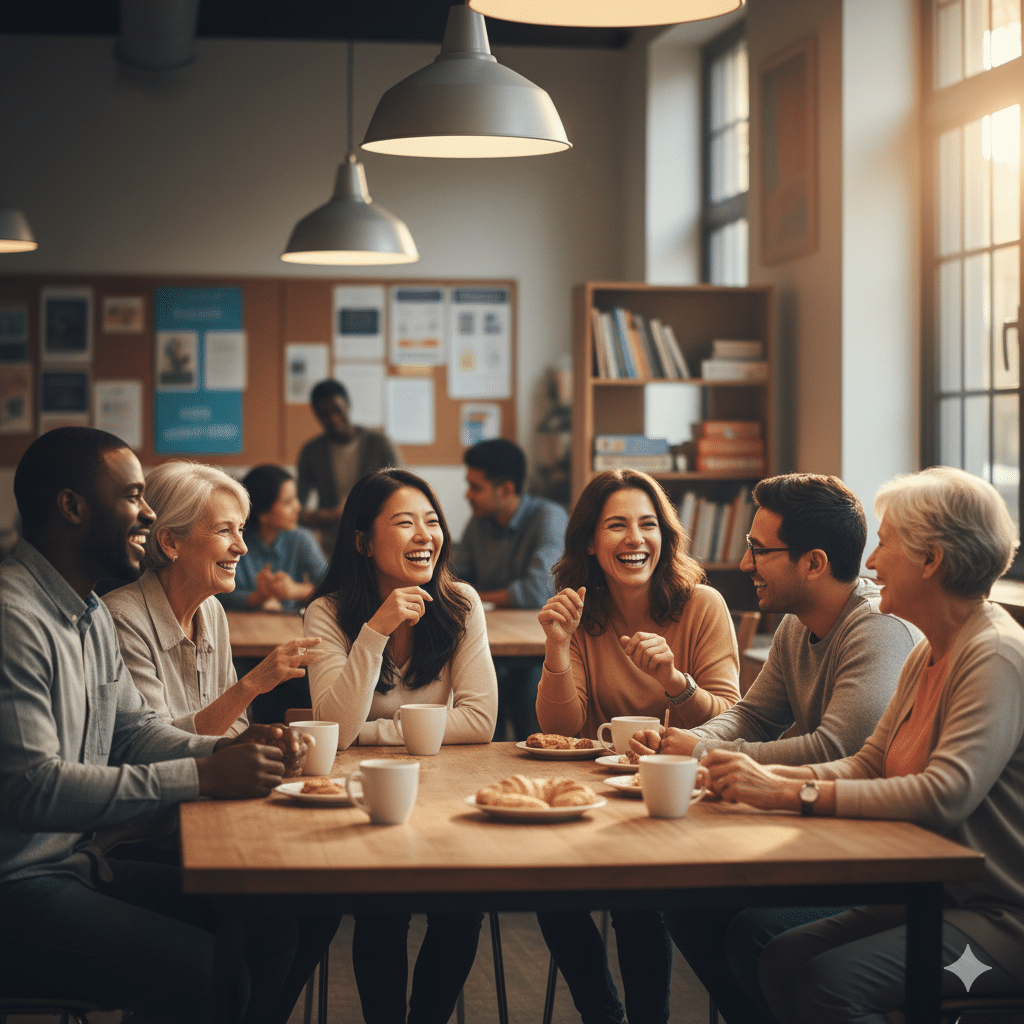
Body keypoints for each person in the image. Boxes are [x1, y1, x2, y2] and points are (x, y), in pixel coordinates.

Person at [0, 427, 320, 1024]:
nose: (147, 513)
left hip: (74, 864)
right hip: (19, 887)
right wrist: (206, 774)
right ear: (72, 507)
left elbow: (135, 733)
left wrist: (235, 749)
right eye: (131, 496)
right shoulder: (15, 617)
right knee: (201, 970)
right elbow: (33, 790)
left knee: (269, 924)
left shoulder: (87, 612)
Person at [705, 467, 1024, 1023]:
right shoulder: (931, 651)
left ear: (932, 560)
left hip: (1000, 919)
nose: (871, 563)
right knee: (781, 958)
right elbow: (870, 762)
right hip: (939, 896)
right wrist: (768, 784)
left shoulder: (992, 653)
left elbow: (944, 794)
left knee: (830, 983)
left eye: (884, 544)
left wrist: (791, 796)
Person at [628, 473, 922, 1024]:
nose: (744, 565)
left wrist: (702, 758)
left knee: (755, 931)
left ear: (813, 562)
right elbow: (753, 716)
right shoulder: (795, 625)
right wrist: (691, 742)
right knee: (684, 904)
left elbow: (838, 746)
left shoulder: (879, 629)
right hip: (820, 837)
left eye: (759, 551)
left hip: (876, 857)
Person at [535, 468, 741, 1024]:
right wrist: (557, 649)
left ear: (666, 537)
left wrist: (678, 683)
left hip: (683, 794)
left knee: (637, 899)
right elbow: (564, 725)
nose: (635, 539)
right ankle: (605, 1016)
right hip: (601, 795)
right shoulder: (578, 609)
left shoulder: (702, 606)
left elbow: (732, 718)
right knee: (550, 893)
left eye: (648, 525)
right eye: (617, 526)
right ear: (589, 543)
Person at [305, 467, 497, 1024]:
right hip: (364, 801)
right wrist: (375, 631)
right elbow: (335, 730)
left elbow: (481, 720)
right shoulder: (327, 613)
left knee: (462, 912)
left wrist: (373, 732)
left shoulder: (459, 603)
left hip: (449, 798)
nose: (425, 536)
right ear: (363, 542)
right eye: (405, 523)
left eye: (432, 522)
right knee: (381, 912)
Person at [104, 461, 322, 739]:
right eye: (223, 530)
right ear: (170, 543)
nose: (241, 547)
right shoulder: (121, 620)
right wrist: (252, 684)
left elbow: (236, 724)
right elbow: (154, 745)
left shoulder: (210, 609)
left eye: (241, 529)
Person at [451, 437, 568, 739]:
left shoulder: (548, 517)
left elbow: (538, 591)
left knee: (527, 683)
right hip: (489, 639)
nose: (467, 495)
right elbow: (451, 579)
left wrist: (474, 597)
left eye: (476, 487)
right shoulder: (479, 523)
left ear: (506, 489)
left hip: (539, 643)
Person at [297, 378, 400, 556]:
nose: (333, 418)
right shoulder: (311, 452)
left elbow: (400, 492)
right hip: (332, 543)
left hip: (378, 537)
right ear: (316, 415)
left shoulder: (379, 443)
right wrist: (330, 515)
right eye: (324, 414)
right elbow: (297, 506)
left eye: (338, 410)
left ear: (348, 405)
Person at [220, 464, 327, 613]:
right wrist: (259, 597)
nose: (298, 507)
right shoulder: (236, 542)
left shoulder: (301, 539)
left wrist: (296, 590)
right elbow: (219, 597)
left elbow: (335, 589)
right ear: (263, 514)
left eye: (296, 499)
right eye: (288, 502)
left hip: (290, 625)